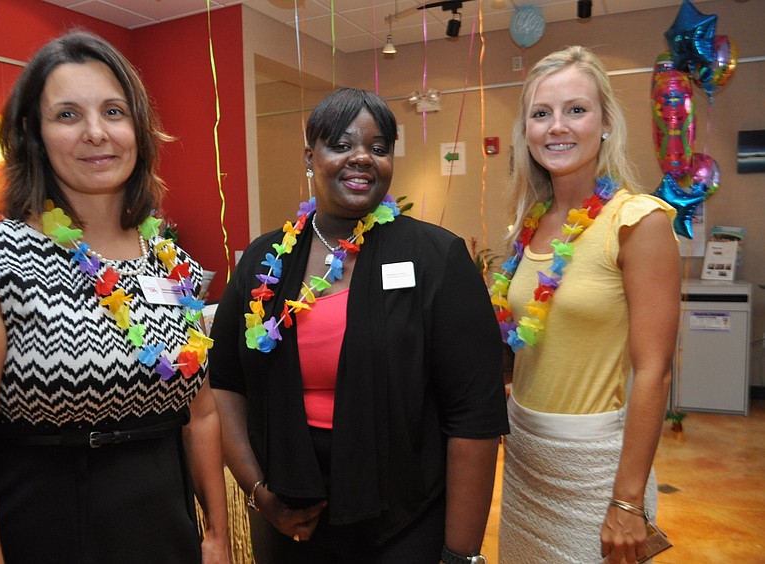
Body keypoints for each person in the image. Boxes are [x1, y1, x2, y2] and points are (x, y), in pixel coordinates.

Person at [0, 30, 231, 563]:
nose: (96, 132)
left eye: (113, 111)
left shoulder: (168, 258)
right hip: (48, 534)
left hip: (166, 535)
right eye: (67, 115)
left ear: (138, 129)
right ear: (32, 134)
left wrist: (217, 538)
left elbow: (199, 414)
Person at [208, 87, 508, 563]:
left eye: (379, 147)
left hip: (404, 522)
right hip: (290, 520)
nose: (363, 157)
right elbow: (225, 383)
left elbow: (474, 416)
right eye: (342, 144)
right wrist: (259, 491)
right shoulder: (265, 261)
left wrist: (460, 555)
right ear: (310, 157)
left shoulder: (437, 258)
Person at [493, 46, 680, 563]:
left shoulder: (638, 221)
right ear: (526, 131)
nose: (557, 126)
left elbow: (655, 371)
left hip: (597, 471)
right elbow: (532, 341)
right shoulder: (530, 224)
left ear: (605, 123)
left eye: (576, 109)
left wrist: (627, 502)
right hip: (526, 460)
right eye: (541, 113)